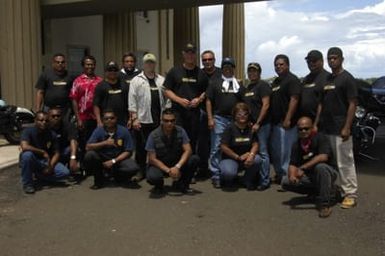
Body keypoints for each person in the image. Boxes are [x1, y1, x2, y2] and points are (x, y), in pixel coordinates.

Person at [319, 47, 358, 209]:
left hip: (341, 128)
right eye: (329, 58)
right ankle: (337, 190)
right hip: (326, 128)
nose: (331, 61)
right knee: (332, 162)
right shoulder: (327, 79)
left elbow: (353, 104)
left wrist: (347, 126)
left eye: (334, 58)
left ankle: (350, 194)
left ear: (342, 59)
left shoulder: (347, 78)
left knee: (345, 162)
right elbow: (322, 103)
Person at [281, 117, 338, 218]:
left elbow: (323, 156)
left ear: (312, 128)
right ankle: (317, 192)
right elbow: (293, 163)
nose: (303, 131)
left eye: (306, 128)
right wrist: (292, 175)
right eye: (300, 129)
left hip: (328, 172)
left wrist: (303, 168)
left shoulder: (321, 138)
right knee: (285, 181)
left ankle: (325, 204)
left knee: (321, 167)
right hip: (310, 175)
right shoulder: (297, 144)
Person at [129, 53, 169, 182]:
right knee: (141, 147)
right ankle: (141, 171)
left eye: (152, 62)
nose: (149, 65)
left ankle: (158, 169)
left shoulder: (161, 80)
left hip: (159, 120)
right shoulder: (136, 80)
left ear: (155, 64)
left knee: (159, 146)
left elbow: (167, 99)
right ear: (143, 64)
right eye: (147, 62)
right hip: (143, 119)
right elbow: (132, 101)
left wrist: (167, 115)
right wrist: (134, 118)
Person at [164, 43, 208, 156]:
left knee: (192, 141)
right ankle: (177, 168)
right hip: (178, 114)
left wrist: (198, 99)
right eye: (187, 53)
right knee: (177, 140)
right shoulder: (174, 71)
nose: (190, 55)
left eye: (192, 53)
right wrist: (179, 100)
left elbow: (206, 91)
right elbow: (166, 90)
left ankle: (190, 168)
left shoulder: (201, 73)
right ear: (183, 54)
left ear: (195, 55)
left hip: (194, 114)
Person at [206, 57, 243, 188]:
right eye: (225, 67)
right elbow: (209, 101)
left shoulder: (238, 84)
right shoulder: (214, 83)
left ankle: (232, 172)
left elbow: (242, 103)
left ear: (234, 68)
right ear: (222, 68)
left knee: (234, 145)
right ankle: (216, 174)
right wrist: (210, 118)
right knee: (216, 147)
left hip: (235, 121)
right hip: (219, 119)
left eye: (230, 66)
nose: (228, 69)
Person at [145, 109, 199, 197]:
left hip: (176, 163)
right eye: (166, 121)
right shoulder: (153, 135)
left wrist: (178, 166)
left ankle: (183, 184)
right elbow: (152, 159)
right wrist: (168, 170)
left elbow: (188, 150)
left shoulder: (181, 131)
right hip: (161, 165)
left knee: (194, 159)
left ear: (175, 121)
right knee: (153, 176)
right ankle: (159, 186)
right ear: (161, 121)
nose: (169, 123)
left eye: (172, 121)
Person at [83, 110, 139, 189]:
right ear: (103, 120)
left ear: (116, 119)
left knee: (133, 168)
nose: (109, 120)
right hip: (102, 159)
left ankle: (118, 176)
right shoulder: (99, 130)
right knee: (90, 155)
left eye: (112, 118)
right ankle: (99, 180)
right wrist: (105, 143)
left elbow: (128, 151)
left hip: (118, 159)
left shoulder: (124, 131)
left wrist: (113, 161)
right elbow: (88, 147)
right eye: (106, 119)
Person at [19, 111, 70, 194]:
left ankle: (40, 176)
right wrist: (42, 151)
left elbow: (57, 153)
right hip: (33, 159)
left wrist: (51, 167)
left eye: (46, 121)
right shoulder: (28, 131)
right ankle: (28, 184)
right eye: (41, 120)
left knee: (65, 173)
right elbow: (24, 146)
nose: (44, 122)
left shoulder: (52, 134)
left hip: (45, 161)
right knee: (27, 155)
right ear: (35, 121)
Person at [270, 54, 301, 185]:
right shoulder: (276, 82)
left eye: (281, 64)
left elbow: (294, 99)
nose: (278, 67)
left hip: (287, 123)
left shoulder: (292, 80)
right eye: (276, 65)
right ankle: (279, 174)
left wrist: (288, 119)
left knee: (286, 152)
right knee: (277, 152)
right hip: (276, 123)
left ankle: (287, 177)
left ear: (288, 65)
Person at [241, 62, 272, 191]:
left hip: (262, 125)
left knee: (263, 153)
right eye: (250, 71)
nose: (252, 73)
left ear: (259, 73)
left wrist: (258, 122)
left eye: (255, 71)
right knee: (256, 152)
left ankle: (264, 180)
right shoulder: (248, 88)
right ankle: (255, 177)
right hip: (251, 126)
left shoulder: (263, 85)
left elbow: (266, 105)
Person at [219, 103, 262, 190]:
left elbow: (255, 144)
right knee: (229, 173)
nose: (242, 116)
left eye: (245, 114)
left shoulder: (251, 128)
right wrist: (238, 157)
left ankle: (247, 180)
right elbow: (223, 146)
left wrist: (251, 154)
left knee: (257, 159)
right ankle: (227, 179)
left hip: (246, 157)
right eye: (239, 114)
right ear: (235, 116)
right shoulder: (229, 128)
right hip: (231, 158)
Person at [70, 55, 103, 163]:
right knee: (84, 142)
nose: (90, 66)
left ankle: (97, 166)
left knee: (97, 142)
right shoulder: (77, 81)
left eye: (92, 64)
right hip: (83, 117)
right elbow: (74, 99)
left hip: (97, 118)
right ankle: (84, 166)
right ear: (83, 66)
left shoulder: (100, 81)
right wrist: (78, 118)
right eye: (88, 64)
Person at [197, 50, 222, 178]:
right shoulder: (199, 73)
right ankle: (203, 167)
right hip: (202, 112)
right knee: (202, 142)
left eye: (210, 59)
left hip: (218, 113)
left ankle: (218, 169)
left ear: (214, 60)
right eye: (204, 60)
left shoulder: (221, 73)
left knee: (217, 142)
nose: (207, 62)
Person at [35, 53, 74, 121]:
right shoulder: (45, 75)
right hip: (49, 108)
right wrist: (38, 110)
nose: (60, 64)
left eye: (62, 62)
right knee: (48, 127)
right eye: (57, 62)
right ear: (53, 63)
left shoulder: (70, 76)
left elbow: (74, 94)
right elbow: (40, 92)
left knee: (64, 128)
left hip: (65, 109)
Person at [93, 61, 130, 127]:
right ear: (106, 72)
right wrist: (98, 121)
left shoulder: (124, 85)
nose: (112, 72)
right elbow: (96, 105)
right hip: (107, 121)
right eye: (110, 70)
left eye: (115, 70)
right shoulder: (100, 86)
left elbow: (130, 103)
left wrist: (130, 118)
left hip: (123, 121)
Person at [300, 50, 330, 124]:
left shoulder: (328, 78)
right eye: (308, 61)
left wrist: (316, 123)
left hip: (321, 123)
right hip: (305, 123)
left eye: (314, 61)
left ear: (322, 61)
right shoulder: (306, 79)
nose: (311, 63)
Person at [48, 107, 79, 176]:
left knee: (73, 147)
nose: (56, 118)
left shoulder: (69, 125)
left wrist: (73, 158)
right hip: (50, 154)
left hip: (63, 152)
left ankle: (71, 168)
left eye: (58, 116)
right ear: (48, 117)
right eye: (53, 116)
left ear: (61, 116)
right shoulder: (45, 126)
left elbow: (73, 141)